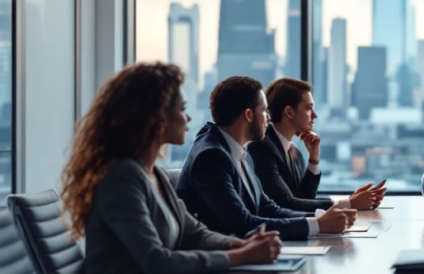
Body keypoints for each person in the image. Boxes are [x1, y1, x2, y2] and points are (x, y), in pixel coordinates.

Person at [61, 63, 281, 274]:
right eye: (183, 109)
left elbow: (194, 234)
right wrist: (243, 256)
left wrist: (242, 245)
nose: (189, 117)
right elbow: (157, 262)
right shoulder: (121, 178)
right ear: (156, 118)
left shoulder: (154, 173)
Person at [176, 76, 356, 241]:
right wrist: (318, 224)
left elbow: (268, 208)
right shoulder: (211, 157)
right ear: (248, 115)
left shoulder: (236, 150)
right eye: (263, 110)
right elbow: (244, 225)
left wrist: (319, 218)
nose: (268, 118)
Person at [248, 78, 387, 212]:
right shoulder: (261, 148)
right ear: (289, 112)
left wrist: (313, 159)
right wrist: (350, 203)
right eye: (309, 109)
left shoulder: (293, 150)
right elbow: (285, 203)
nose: (315, 115)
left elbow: (305, 198)